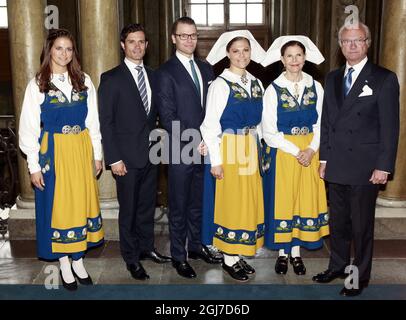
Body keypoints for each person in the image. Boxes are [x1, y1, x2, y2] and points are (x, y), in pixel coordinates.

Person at [313, 22, 399, 297]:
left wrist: (383, 166)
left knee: (361, 227)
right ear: (340, 46)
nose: (352, 45)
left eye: (358, 40)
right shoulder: (333, 77)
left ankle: (358, 277)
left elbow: (390, 127)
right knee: (338, 223)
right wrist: (324, 159)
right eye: (347, 41)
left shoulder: (384, 78)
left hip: (365, 166)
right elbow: (327, 121)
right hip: (336, 163)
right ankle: (337, 265)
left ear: (368, 43)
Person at [19, 29, 104, 291]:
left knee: (79, 204)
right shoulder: (38, 84)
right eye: (59, 48)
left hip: (80, 149)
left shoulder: (84, 80)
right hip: (54, 152)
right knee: (60, 208)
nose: (64, 54)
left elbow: (93, 121)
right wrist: (33, 166)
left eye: (69, 49)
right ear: (49, 50)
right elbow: (28, 129)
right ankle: (65, 263)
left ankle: (79, 260)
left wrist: (97, 154)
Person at [98, 24, 171, 281]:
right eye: (132, 42)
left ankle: (147, 248)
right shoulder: (111, 78)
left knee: (146, 207)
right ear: (123, 45)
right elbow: (106, 123)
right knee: (128, 209)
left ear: (147, 45)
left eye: (141, 41)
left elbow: (156, 116)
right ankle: (131, 258)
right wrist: (114, 158)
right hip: (125, 159)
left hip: (151, 155)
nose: (137, 46)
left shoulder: (154, 75)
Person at [155, 17, 222, 279]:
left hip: (205, 148)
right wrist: (197, 140)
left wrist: (210, 140)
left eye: (193, 35)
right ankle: (179, 256)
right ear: (173, 38)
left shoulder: (206, 70)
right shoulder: (165, 72)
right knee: (179, 205)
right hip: (180, 148)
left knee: (197, 202)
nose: (189, 40)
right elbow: (168, 115)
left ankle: (195, 247)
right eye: (183, 36)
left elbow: (212, 111)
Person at [200, 30, 266, 282]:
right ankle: (228, 257)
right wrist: (215, 160)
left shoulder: (257, 83)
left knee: (246, 202)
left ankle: (237, 253)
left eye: (246, 50)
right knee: (230, 202)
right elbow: (209, 125)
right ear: (228, 53)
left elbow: (260, 123)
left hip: (250, 146)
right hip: (229, 147)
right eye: (236, 50)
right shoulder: (220, 84)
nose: (241, 55)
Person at [260, 36, 329, 276]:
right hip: (284, 151)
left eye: (298, 55)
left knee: (303, 199)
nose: (294, 60)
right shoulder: (273, 89)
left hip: (310, 148)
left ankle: (296, 253)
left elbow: (322, 122)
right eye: (289, 55)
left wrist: (311, 149)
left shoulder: (316, 86)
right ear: (282, 59)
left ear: (305, 57)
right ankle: (282, 253)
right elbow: (268, 130)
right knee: (285, 200)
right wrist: (296, 150)